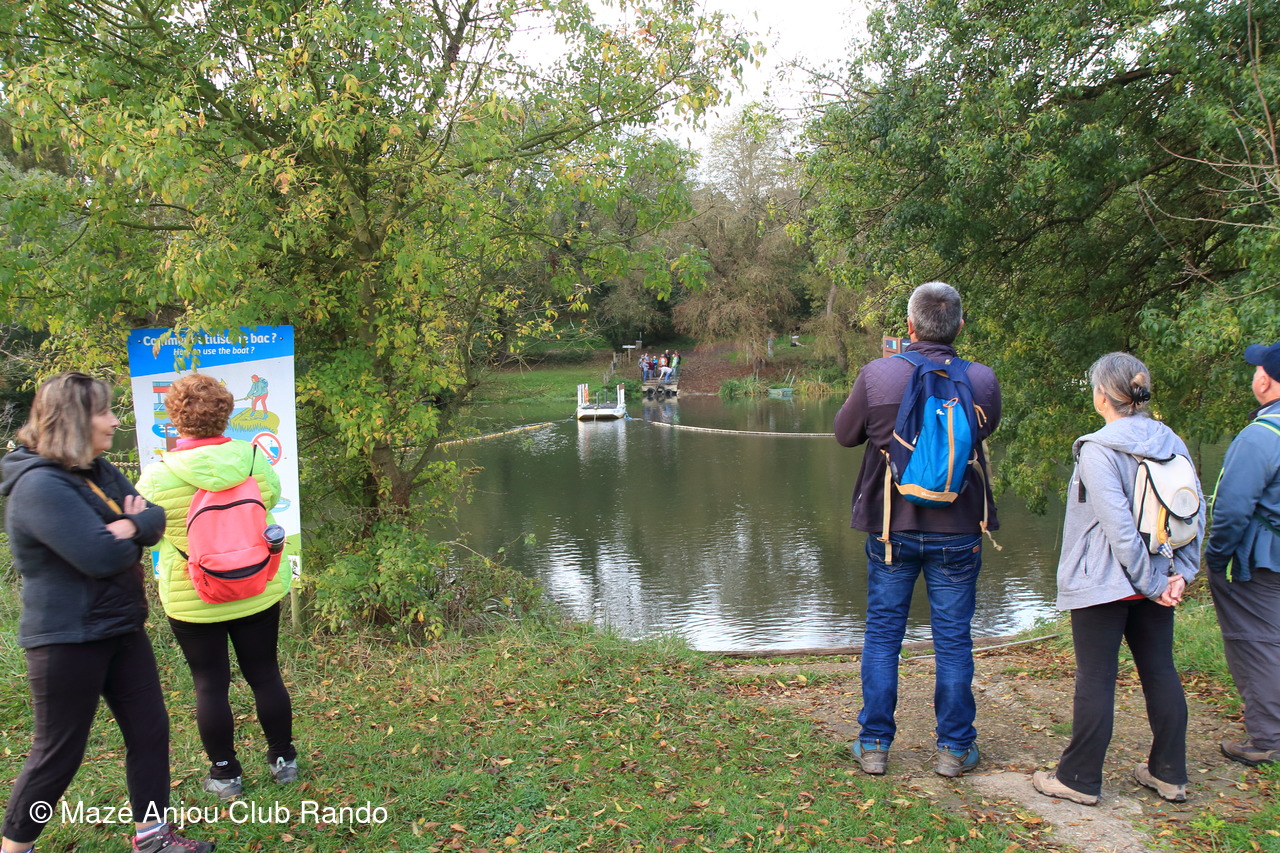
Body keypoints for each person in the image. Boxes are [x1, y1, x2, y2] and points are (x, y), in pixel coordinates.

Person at [0, 373, 213, 853]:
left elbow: (154, 519)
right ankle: (14, 848)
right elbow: (99, 556)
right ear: (73, 419)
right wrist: (127, 528)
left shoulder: (97, 469)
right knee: (58, 753)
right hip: (66, 639)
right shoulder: (39, 486)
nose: (114, 421)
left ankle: (153, 838)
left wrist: (128, 527)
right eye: (103, 412)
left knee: (150, 731)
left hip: (121, 626)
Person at [834, 281, 1001, 778]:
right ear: (959, 326)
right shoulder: (982, 380)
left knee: (884, 634)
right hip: (959, 527)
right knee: (953, 639)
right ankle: (955, 749)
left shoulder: (878, 374)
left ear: (909, 327)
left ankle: (874, 745)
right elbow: (981, 432)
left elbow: (844, 434)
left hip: (892, 528)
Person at [1032, 352, 1202, 806]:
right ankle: (1169, 774)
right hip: (1158, 577)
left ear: (1102, 395)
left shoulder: (1098, 448)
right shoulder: (1171, 440)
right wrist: (1179, 574)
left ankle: (1079, 779)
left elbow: (1119, 529)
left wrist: (1153, 583)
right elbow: (1192, 511)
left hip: (1106, 583)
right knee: (1160, 670)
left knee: (1096, 678)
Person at [136, 373, 298, 800]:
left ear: (174, 418)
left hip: (194, 594)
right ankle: (283, 760)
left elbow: (147, 532)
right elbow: (267, 501)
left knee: (209, 683)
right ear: (225, 413)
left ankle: (225, 775)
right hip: (256, 584)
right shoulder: (253, 459)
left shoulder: (157, 476)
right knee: (265, 674)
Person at [1204, 341, 1280, 767]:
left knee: (1257, 643)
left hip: (1263, 559)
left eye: (1257, 370)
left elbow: (1232, 509)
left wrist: (1217, 557)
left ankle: (1268, 738)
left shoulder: (1261, 436)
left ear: (1265, 381)